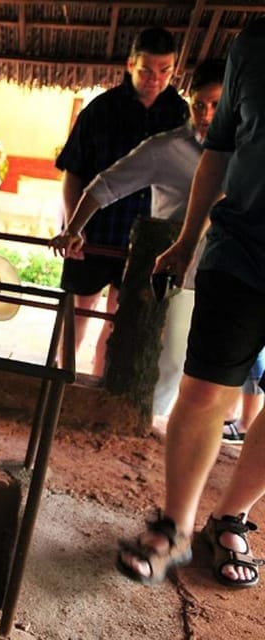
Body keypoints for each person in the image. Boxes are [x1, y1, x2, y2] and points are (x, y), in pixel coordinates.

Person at [117, 18, 265, 589]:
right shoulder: (252, 47)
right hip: (241, 248)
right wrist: (184, 242)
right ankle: (175, 528)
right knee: (203, 388)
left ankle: (232, 518)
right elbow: (219, 152)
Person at [50, 60, 233, 421]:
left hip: (229, 275)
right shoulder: (166, 148)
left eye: (216, 104)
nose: (206, 114)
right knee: (168, 360)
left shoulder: (250, 152)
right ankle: (147, 433)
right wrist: (75, 227)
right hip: (181, 276)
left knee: (211, 378)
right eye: (199, 104)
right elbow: (104, 184)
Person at [55, 27, 189, 377]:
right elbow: (73, 171)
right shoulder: (99, 110)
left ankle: (98, 390)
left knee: (118, 322)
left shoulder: (181, 115)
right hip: (95, 231)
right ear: (130, 64)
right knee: (77, 314)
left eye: (165, 71)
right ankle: (62, 383)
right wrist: (74, 227)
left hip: (145, 241)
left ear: (175, 69)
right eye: (146, 70)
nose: (155, 79)